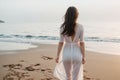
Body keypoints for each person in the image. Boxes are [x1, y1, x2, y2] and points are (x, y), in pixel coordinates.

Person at [53, 6, 85, 80]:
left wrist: (57, 56)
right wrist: (84, 56)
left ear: (67, 15)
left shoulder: (63, 27)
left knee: (68, 76)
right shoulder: (80, 27)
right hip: (77, 53)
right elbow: (82, 43)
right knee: (75, 77)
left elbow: (61, 42)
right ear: (76, 15)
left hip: (66, 53)